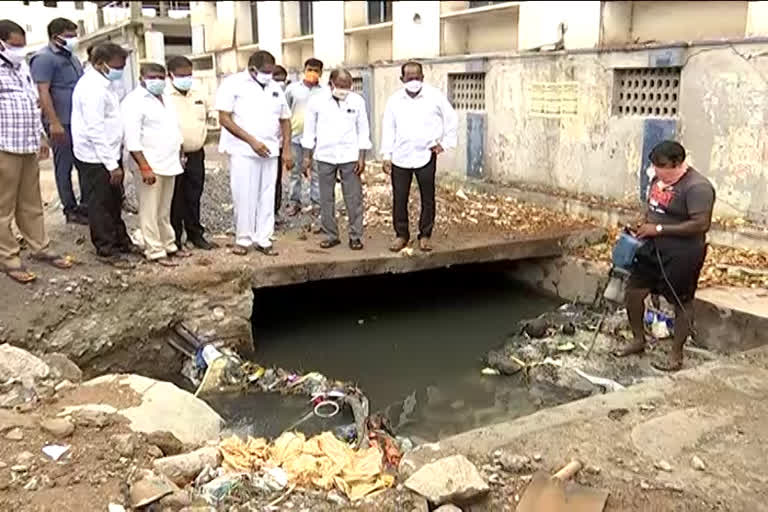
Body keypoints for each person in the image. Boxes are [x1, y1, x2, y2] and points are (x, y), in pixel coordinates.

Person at [615, 141, 715, 372]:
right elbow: (652, 208)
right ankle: (638, 340)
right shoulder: (657, 181)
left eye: (662, 167)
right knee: (633, 292)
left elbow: (701, 224)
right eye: (655, 166)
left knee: (681, 301)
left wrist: (659, 230)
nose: (657, 171)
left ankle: (676, 355)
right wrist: (643, 225)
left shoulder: (697, 187)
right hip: (651, 248)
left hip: (682, 254)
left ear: (678, 163)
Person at [0, 19, 73, 283]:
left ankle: (39, 247)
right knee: (3, 207)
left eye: (21, 45)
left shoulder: (21, 67)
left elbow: (32, 103)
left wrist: (41, 136)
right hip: (4, 146)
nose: (18, 49)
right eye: (13, 45)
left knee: (30, 203)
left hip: (27, 144)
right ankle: (8, 258)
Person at [215, 50, 292, 256]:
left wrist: (287, 149)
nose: (269, 75)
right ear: (252, 69)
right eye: (265, 71)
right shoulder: (233, 84)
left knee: (267, 195)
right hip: (243, 151)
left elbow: (285, 119)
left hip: (270, 151)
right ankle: (243, 239)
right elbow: (224, 118)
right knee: (244, 195)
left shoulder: (275, 87)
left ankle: (264, 239)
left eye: (272, 71)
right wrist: (251, 141)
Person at [381, 60, 457, 253]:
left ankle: (425, 235)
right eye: (409, 77)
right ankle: (401, 235)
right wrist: (386, 155)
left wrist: (445, 143)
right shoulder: (394, 101)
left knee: (427, 197)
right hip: (400, 156)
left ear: (422, 78)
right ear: (402, 79)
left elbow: (451, 118)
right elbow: (388, 128)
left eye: (417, 77)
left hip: (426, 154)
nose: (414, 81)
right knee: (400, 197)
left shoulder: (434, 97)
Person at [71, 42, 133, 266]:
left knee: (115, 200)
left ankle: (121, 240)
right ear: (99, 63)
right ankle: (106, 248)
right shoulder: (91, 89)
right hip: (96, 157)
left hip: (109, 153)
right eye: (118, 66)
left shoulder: (105, 83)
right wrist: (111, 165)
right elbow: (94, 129)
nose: (121, 70)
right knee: (100, 203)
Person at [122, 62, 186, 266]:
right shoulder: (134, 101)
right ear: (141, 77)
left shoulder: (165, 97)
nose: (157, 81)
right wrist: (144, 167)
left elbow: (172, 128)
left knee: (163, 210)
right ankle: (154, 250)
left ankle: (169, 244)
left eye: (160, 77)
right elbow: (132, 139)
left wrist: (180, 149)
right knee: (149, 210)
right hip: (149, 163)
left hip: (169, 161)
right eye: (152, 77)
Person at [301, 68, 371, 250]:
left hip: (350, 157)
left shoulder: (357, 101)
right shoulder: (316, 101)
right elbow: (309, 131)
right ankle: (331, 234)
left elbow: (363, 130)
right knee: (326, 198)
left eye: (347, 86)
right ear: (330, 83)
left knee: (354, 198)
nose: (344, 90)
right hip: (324, 156)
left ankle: (355, 236)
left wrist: (362, 157)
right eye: (340, 86)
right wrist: (307, 157)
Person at [30, 17, 86, 225]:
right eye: (70, 36)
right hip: (61, 121)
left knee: (83, 163)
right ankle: (70, 208)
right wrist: (53, 123)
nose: (74, 40)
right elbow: (43, 92)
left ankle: (85, 206)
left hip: (78, 121)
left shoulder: (72, 58)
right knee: (64, 166)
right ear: (56, 37)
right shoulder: (43, 58)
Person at [166, 55, 216, 251]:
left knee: (194, 195)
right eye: (181, 75)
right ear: (170, 75)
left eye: (189, 74)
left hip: (195, 153)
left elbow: (209, 115)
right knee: (175, 197)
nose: (186, 78)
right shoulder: (164, 96)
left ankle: (196, 234)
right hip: (173, 154)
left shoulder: (198, 92)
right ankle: (175, 238)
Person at [285, 57, 324, 216]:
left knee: (316, 172)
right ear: (304, 70)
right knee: (295, 171)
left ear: (321, 73)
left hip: (316, 139)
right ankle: (294, 202)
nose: (312, 73)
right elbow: (285, 113)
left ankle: (316, 204)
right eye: (310, 69)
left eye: (316, 70)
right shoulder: (292, 90)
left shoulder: (325, 92)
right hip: (295, 136)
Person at [272, 65, 288, 217]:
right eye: (277, 80)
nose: (280, 83)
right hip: (261, 146)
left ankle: (274, 211)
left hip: (278, 145)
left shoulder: (284, 96)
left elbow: (286, 121)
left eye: (282, 80)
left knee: (276, 179)